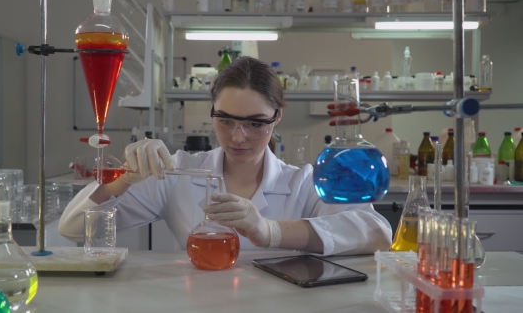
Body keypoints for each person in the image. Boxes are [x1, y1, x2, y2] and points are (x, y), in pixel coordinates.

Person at [59, 56, 392, 254]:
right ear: (212, 112)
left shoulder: (302, 181)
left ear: (277, 118)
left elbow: (377, 232)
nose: (238, 136)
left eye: (255, 123)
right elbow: (72, 229)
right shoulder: (178, 171)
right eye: (226, 120)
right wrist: (122, 181)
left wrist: (269, 231)